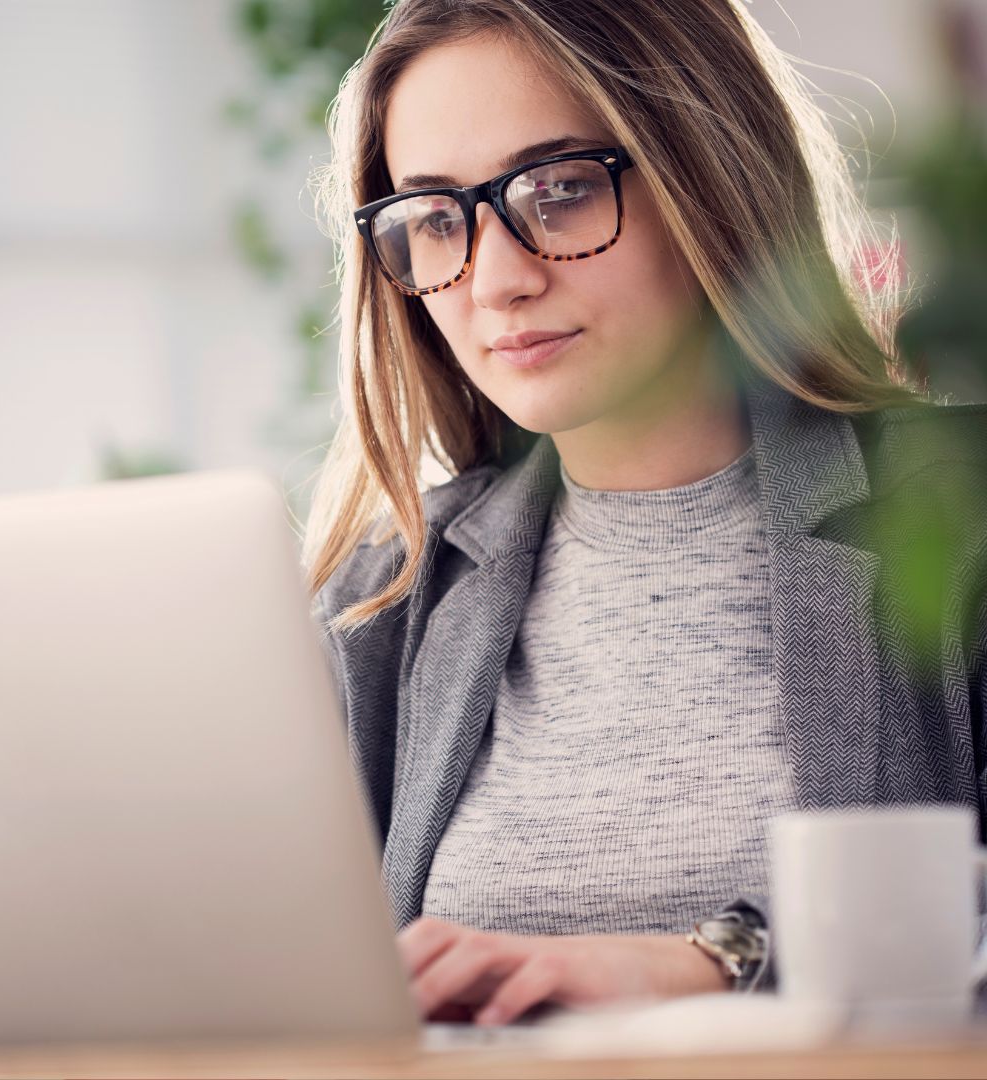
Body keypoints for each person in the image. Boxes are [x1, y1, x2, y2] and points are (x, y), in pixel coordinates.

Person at [303, 0, 987, 1027]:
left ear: (708, 176)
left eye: (561, 191)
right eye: (436, 218)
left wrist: (722, 956)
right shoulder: (386, 599)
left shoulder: (953, 511)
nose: (496, 279)